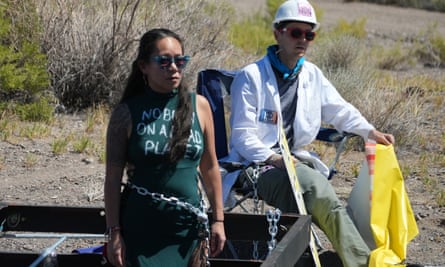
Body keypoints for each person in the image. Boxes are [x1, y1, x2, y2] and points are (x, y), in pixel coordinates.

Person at [221, 1, 395, 267]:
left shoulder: (312, 74)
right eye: (295, 32)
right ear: (277, 33)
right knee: (314, 188)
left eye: (309, 34)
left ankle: (309, 256)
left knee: (311, 191)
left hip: (295, 161)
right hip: (254, 166)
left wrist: (370, 131)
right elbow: (243, 138)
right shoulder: (251, 77)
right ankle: (362, 262)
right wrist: (274, 159)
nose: (303, 39)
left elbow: (340, 111)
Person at [104, 28, 226, 267]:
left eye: (180, 60)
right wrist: (114, 233)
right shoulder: (126, 114)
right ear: (143, 66)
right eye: (164, 61)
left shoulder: (198, 107)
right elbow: (112, 178)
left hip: (187, 229)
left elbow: (210, 167)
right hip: (142, 227)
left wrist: (218, 220)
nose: (174, 67)